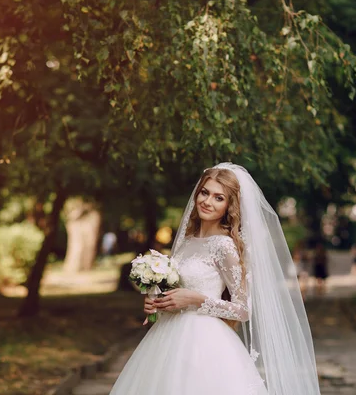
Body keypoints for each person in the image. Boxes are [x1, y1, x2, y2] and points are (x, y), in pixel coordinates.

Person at [109, 163, 321, 395]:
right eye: (204, 192)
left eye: (219, 198)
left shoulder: (224, 246)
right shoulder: (187, 240)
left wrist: (196, 299)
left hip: (206, 343)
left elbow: (243, 310)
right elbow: (178, 291)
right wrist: (158, 303)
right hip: (168, 337)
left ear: (229, 206)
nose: (207, 202)